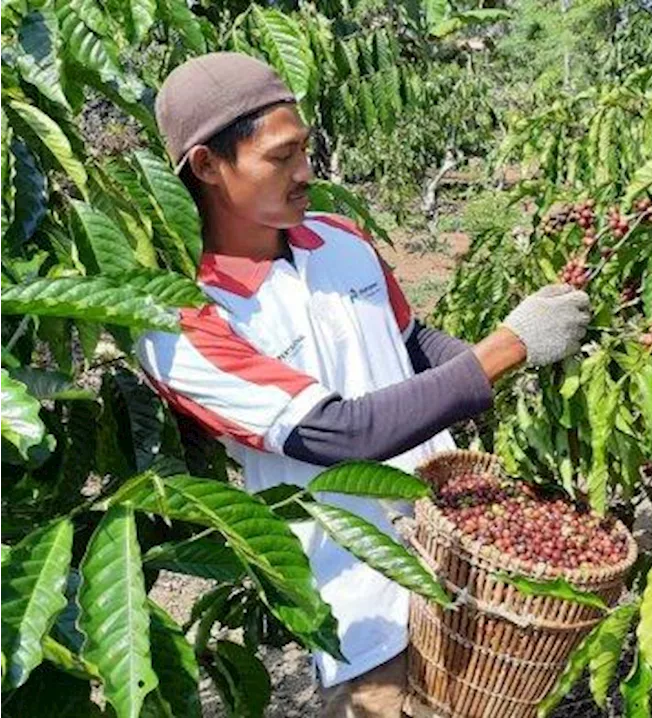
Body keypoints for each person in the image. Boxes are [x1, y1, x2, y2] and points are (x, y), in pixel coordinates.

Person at [138, 52, 591, 717]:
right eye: (280, 157)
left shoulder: (337, 238)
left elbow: (410, 342)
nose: (306, 172)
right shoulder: (185, 319)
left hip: (452, 537)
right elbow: (337, 432)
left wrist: (518, 371)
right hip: (354, 581)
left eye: (306, 150)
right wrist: (504, 349)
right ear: (207, 166)